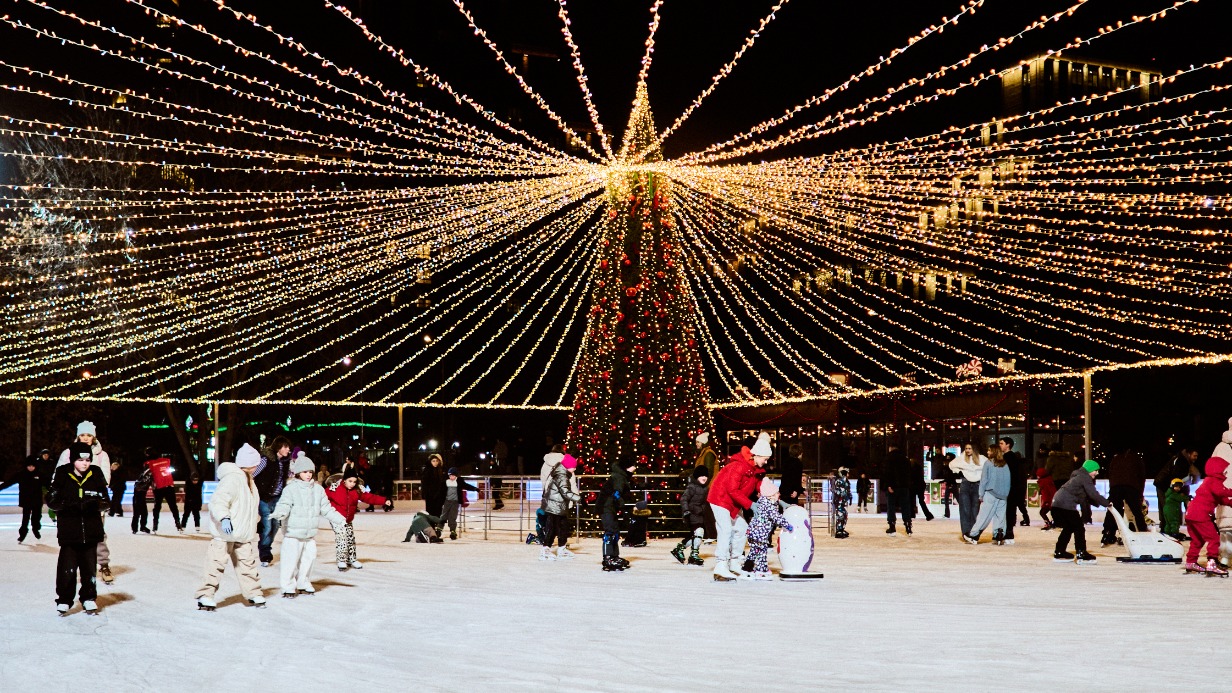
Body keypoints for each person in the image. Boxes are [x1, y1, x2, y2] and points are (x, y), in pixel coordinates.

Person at [195, 443, 266, 610]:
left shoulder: (249, 480)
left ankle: (253, 593)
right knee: (215, 564)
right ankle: (206, 595)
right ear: (248, 464)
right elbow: (218, 501)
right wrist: (224, 518)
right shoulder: (233, 479)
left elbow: (249, 506)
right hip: (224, 533)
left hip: (243, 533)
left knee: (247, 565)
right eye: (255, 464)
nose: (257, 467)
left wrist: (256, 520)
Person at [272, 453, 345, 597]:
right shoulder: (290, 489)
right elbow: (284, 504)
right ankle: (288, 586)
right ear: (298, 473)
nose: (308, 475)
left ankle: (303, 582)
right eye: (305, 472)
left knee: (308, 559)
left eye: (310, 472)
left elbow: (326, 508)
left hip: (309, 534)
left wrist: (340, 519)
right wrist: (280, 513)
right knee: (290, 561)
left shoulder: (318, 490)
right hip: (293, 533)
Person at [47, 442, 108, 615]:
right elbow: (52, 501)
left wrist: (95, 504)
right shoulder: (62, 473)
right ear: (73, 459)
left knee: (89, 568)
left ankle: (89, 598)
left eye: (88, 459)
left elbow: (106, 501)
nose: (85, 463)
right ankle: (64, 599)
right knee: (67, 568)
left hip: (91, 530)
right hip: (70, 530)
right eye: (81, 459)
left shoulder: (95, 473)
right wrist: (69, 504)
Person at [54, 421, 114, 585]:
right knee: (72, 536)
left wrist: (96, 496)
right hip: (72, 504)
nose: (86, 438)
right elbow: (58, 476)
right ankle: (75, 568)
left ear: (94, 437)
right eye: (82, 435)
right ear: (78, 436)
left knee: (98, 534)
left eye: (89, 435)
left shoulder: (102, 455)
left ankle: (103, 564)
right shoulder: (67, 453)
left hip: (92, 503)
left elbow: (105, 479)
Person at [708, 432, 769, 581]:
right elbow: (732, 490)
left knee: (742, 528)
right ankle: (721, 564)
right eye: (765, 459)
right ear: (757, 455)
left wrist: (776, 498)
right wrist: (750, 505)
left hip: (733, 502)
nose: (766, 462)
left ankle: (734, 562)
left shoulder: (755, 471)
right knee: (726, 529)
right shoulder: (738, 466)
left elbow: (760, 487)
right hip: (720, 498)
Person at [325, 468, 392, 569]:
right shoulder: (334, 489)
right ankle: (341, 560)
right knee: (342, 538)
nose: (352, 484)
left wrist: (384, 500)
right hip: (336, 518)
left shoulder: (357, 490)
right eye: (350, 481)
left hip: (348, 519)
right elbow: (320, 497)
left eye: (354, 481)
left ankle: (351, 559)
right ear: (344, 480)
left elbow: (370, 497)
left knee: (350, 539)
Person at [1183, 456, 1232, 575]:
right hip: (1200, 514)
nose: (1225, 472)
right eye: (1223, 469)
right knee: (1214, 538)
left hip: (1191, 514)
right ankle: (1212, 563)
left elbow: (1221, 499)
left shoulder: (1210, 482)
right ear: (1217, 469)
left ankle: (1191, 562)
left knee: (1198, 540)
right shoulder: (1213, 480)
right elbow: (1220, 492)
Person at [1051, 460, 1108, 564]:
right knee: (1078, 528)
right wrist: (1107, 503)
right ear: (1089, 470)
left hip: (1057, 504)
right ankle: (1081, 553)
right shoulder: (1084, 477)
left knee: (1069, 527)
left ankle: (1059, 551)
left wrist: (1100, 503)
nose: (1097, 473)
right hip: (1065, 505)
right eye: (1096, 470)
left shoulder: (1078, 476)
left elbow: (1085, 497)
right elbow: (1093, 494)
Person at [743, 477, 794, 581]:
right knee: (761, 551)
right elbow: (776, 517)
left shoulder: (763, 502)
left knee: (754, 550)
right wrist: (787, 525)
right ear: (770, 496)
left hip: (753, 531)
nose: (778, 495)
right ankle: (761, 571)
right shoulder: (768, 505)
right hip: (759, 533)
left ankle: (747, 568)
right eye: (777, 493)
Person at [253, 436, 293, 566]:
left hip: (278, 498)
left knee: (275, 525)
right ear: (278, 447)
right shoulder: (266, 460)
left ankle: (265, 541)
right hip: (265, 497)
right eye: (285, 447)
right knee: (268, 524)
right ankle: (265, 552)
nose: (288, 449)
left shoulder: (285, 462)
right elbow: (253, 474)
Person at [964, 446, 1011, 545]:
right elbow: (1008, 480)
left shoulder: (988, 463)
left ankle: (974, 535)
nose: (987, 452)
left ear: (993, 452)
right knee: (1000, 516)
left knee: (984, 515)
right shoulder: (1005, 464)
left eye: (989, 450)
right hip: (1003, 495)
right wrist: (1005, 494)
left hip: (991, 493)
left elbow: (984, 480)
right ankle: (999, 534)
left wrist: (981, 494)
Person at [596, 459, 637, 571]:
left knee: (615, 531)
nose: (635, 468)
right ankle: (608, 557)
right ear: (627, 467)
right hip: (606, 506)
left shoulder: (622, 476)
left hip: (610, 506)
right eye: (633, 466)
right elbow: (616, 494)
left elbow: (626, 490)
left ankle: (614, 556)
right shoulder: (618, 477)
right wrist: (624, 507)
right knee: (610, 531)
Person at [1101, 448, 1148, 545]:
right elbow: (1141, 476)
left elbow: (1110, 473)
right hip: (1131, 487)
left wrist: (1112, 488)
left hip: (1116, 487)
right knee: (1136, 511)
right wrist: (1140, 493)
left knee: (1113, 511)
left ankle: (1107, 533)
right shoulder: (1137, 458)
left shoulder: (1116, 458)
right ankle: (1143, 533)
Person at [539, 452, 580, 561]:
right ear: (568, 466)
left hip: (559, 506)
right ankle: (545, 550)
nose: (574, 469)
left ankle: (561, 548)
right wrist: (579, 499)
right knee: (552, 528)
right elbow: (565, 492)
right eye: (573, 467)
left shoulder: (563, 473)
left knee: (563, 527)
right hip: (554, 506)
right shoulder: (562, 475)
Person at [0, 455, 44, 542]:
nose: (31, 468)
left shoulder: (40, 474)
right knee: (25, 518)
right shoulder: (21, 474)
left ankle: (35, 529)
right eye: (29, 466)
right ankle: (22, 534)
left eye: (33, 466)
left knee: (37, 517)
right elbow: (9, 482)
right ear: (26, 466)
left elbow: (49, 484)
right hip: (26, 500)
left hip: (37, 500)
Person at [671, 466, 709, 565]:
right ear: (696, 477)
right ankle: (694, 555)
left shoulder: (705, 488)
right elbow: (684, 499)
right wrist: (686, 511)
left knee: (695, 535)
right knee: (699, 532)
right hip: (691, 514)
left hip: (700, 514)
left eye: (705, 476)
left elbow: (705, 502)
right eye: (701, 476)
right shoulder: (692, 487)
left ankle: (679, 549)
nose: (704, 478)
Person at [949, 443, 986, 539]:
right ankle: (966, 533)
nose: (968, 450)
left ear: (974, 449)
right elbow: (951, 465)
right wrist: (958, 470)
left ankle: (973, 532)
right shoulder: (961, 458)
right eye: (966, 448)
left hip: (977, 484)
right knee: (965, 509)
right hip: (965, 484)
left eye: (970, 448)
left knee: (975, 510)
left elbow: (988, 467)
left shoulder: (982, 458)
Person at [1154, 448, 1196, 525]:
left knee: (1167, 507)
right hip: (1164, 485)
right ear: (1189, 454)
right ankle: (1168, 528)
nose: (1196, 458)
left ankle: (1166, 527)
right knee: (1168, 507)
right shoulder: (1182, 461)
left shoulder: (1182, 460)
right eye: (1194, 455)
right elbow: (1176, 477)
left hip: (1163, 484)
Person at [144, 451, 182, 534]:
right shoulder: (166, 460)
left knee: (157, 507)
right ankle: (178, 523)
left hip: (158, 487)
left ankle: (155, 524)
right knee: (173, 506)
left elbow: (146, 473)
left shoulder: (149, 463)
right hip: (169, 486)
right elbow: (173, 462)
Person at [883, 447, 915, 536]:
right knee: (905, 506)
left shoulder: (889, 458)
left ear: (890, 448)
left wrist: (888, 484)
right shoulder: (905, 458)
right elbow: (909, 473)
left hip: (893, 486)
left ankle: (892, 526)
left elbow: (887, 472)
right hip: (904, 486)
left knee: (891, 506)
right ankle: (908, 526)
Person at [441, 467, 478, 541]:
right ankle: (439, 528)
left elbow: (466, 486)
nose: (451, 477)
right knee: (443, 515)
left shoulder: (459, 481)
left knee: (452, 516)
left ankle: (453, 531)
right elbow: (440, 490)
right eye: (450, 476)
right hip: (446, 501)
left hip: (455, 502)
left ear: (456, 476)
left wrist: (475, 489)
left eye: (453, 476)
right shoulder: (445, 482)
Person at [1000, 438, 1029, 531]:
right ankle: (1009, 529)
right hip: (1015, 487)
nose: (1000, 445)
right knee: (1013, 508)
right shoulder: (1012, 457)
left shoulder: (1008, 457)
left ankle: (1008, 531)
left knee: (1010, 509)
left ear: (1007, 445)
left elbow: (1010, 473)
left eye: (1001, 443)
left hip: (1011, 487)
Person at [695, 432, 719, 540]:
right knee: (705, 511)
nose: (696, 444)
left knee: (707, 511)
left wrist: (703, 484)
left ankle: (712, 534)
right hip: (706, 485)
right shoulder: (703, 453)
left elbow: (708, 471)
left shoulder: (708, 454)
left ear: (703, 442)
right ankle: (708, 534)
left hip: (709, 486)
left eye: (698, 442)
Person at [420, 453, 447, 524]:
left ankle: (437, 527)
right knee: (431, 512)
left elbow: (443, 483)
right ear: (430, 461)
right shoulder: (427, 471)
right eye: (433, 461)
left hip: (439, 496)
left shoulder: (440, 471)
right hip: (430, 496)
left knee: (438, 512)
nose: (435, 463)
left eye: (436, 461)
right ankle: (431, 527)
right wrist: (425, 494)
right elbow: (424, 484)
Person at [130, 464, 152, 534]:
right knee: (138, 513)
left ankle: (139, 527)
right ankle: (136, 528)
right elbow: (138, 487)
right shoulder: (144, 477)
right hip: (138, 497)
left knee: (142, 513)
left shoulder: (143, 476)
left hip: (139, 496)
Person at [832, 467, 852, 538]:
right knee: (840, 515)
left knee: (845, 515)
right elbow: (836, 491)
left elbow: (848, 490)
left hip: (844, 501)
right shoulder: (839, 481)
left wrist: (850, 497)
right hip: (840, 501)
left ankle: (842, 529)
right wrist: (841, 495)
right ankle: (839, 530)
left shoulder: (847, 481)